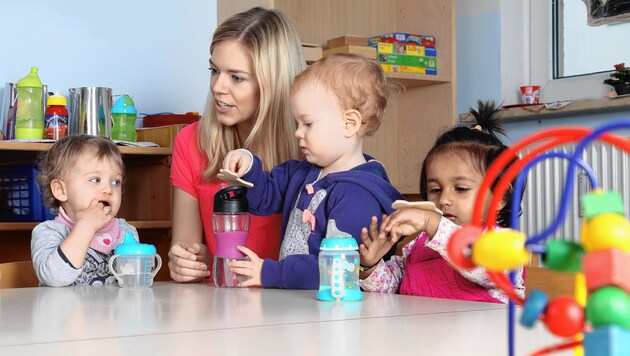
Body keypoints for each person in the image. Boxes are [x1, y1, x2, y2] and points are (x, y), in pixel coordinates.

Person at [222, 53, 404, 289]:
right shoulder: (299, 172)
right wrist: (247, 165)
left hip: (337, 313)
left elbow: (337, 269)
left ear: (349, 123)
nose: (298, 132)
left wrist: (271, 272)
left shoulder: (358, 196)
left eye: (307, 123)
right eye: (297, 123)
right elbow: (262, 199)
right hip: (300, 304)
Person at [168, 7, 306, 282]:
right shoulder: (191, 142)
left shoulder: (310, 148)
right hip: (222, 308)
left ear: (272, 84)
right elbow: (186, 249)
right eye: (214, 70)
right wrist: (187, 263)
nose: (218, 86)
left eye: (237, 77)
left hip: (294, 310)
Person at [358, 100, 525, 303]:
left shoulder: (505, 243)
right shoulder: (420, 245)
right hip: (419, 332)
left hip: (483, 334)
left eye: (461, 189)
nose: (444, 200)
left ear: (500, 197)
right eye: (435, 189)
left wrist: (433, 224)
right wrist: (371, 265)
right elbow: (392, 288)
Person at [31, 134, 139, 286]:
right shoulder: (49, 232)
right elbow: (54, 278)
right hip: (64, 310)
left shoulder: (125, 231)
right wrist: (86, 226)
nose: (108, 189)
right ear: (61, 190)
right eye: (95, 180)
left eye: (116, 181)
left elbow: (135, 283)